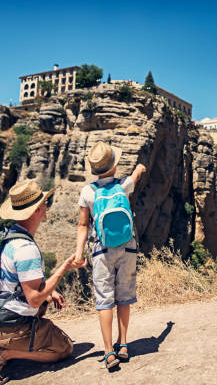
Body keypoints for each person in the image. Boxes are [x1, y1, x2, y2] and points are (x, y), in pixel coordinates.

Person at [0, 180, 87, 385]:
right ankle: (4, 354)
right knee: (65, 349)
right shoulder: (25, 249)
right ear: (37, 210)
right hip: (10, 326)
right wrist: (63, 269)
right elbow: (35, 300)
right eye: (44, 202)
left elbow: (17, 281)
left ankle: (8, 343)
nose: (47, 205)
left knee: (47, 296)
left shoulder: (8, 237)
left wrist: (50, 291)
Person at [74, 141, 146, 369]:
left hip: (101, 250)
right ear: (114, 167)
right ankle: (123, 344)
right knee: (124, 296)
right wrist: (140, 168)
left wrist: (78, 254)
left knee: (105, 299)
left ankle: (108, 352)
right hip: (128, 247)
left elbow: (83, 225)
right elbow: (136, 175)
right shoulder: (124, 184)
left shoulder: (87, 191)